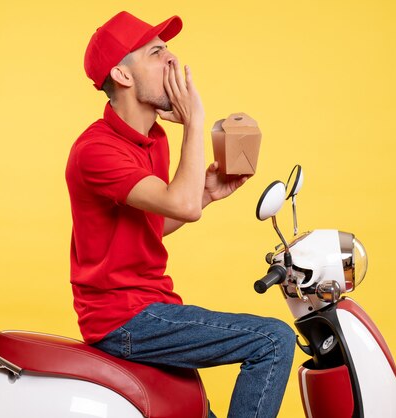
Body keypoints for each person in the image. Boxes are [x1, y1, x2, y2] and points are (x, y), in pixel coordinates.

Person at [65, 11, 295, 418]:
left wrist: (204, 194)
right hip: (123, 318)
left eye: (169, 50)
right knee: (273, 340)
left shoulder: (154, 139)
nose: (172, 61)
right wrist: (195, 121)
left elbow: (154, 223)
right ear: (122, 75)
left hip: (152, 306)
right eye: (156, 53)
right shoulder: (95, 150)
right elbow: (180, 206)